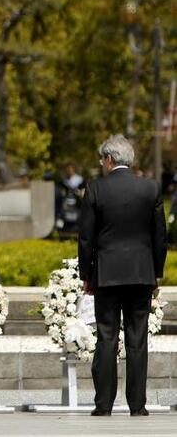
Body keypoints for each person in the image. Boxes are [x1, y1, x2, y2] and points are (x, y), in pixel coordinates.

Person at [78, 134, 167, 417]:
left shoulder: (95, 189)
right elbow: (159, 237)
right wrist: (157, 273)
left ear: (109, 159)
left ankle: (103, 404)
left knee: (106, 337)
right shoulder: (150, 189)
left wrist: (86, 274)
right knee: (137, 339)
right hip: (141, 274)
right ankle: (137, 405)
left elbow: (86, 238)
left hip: (107, 273)